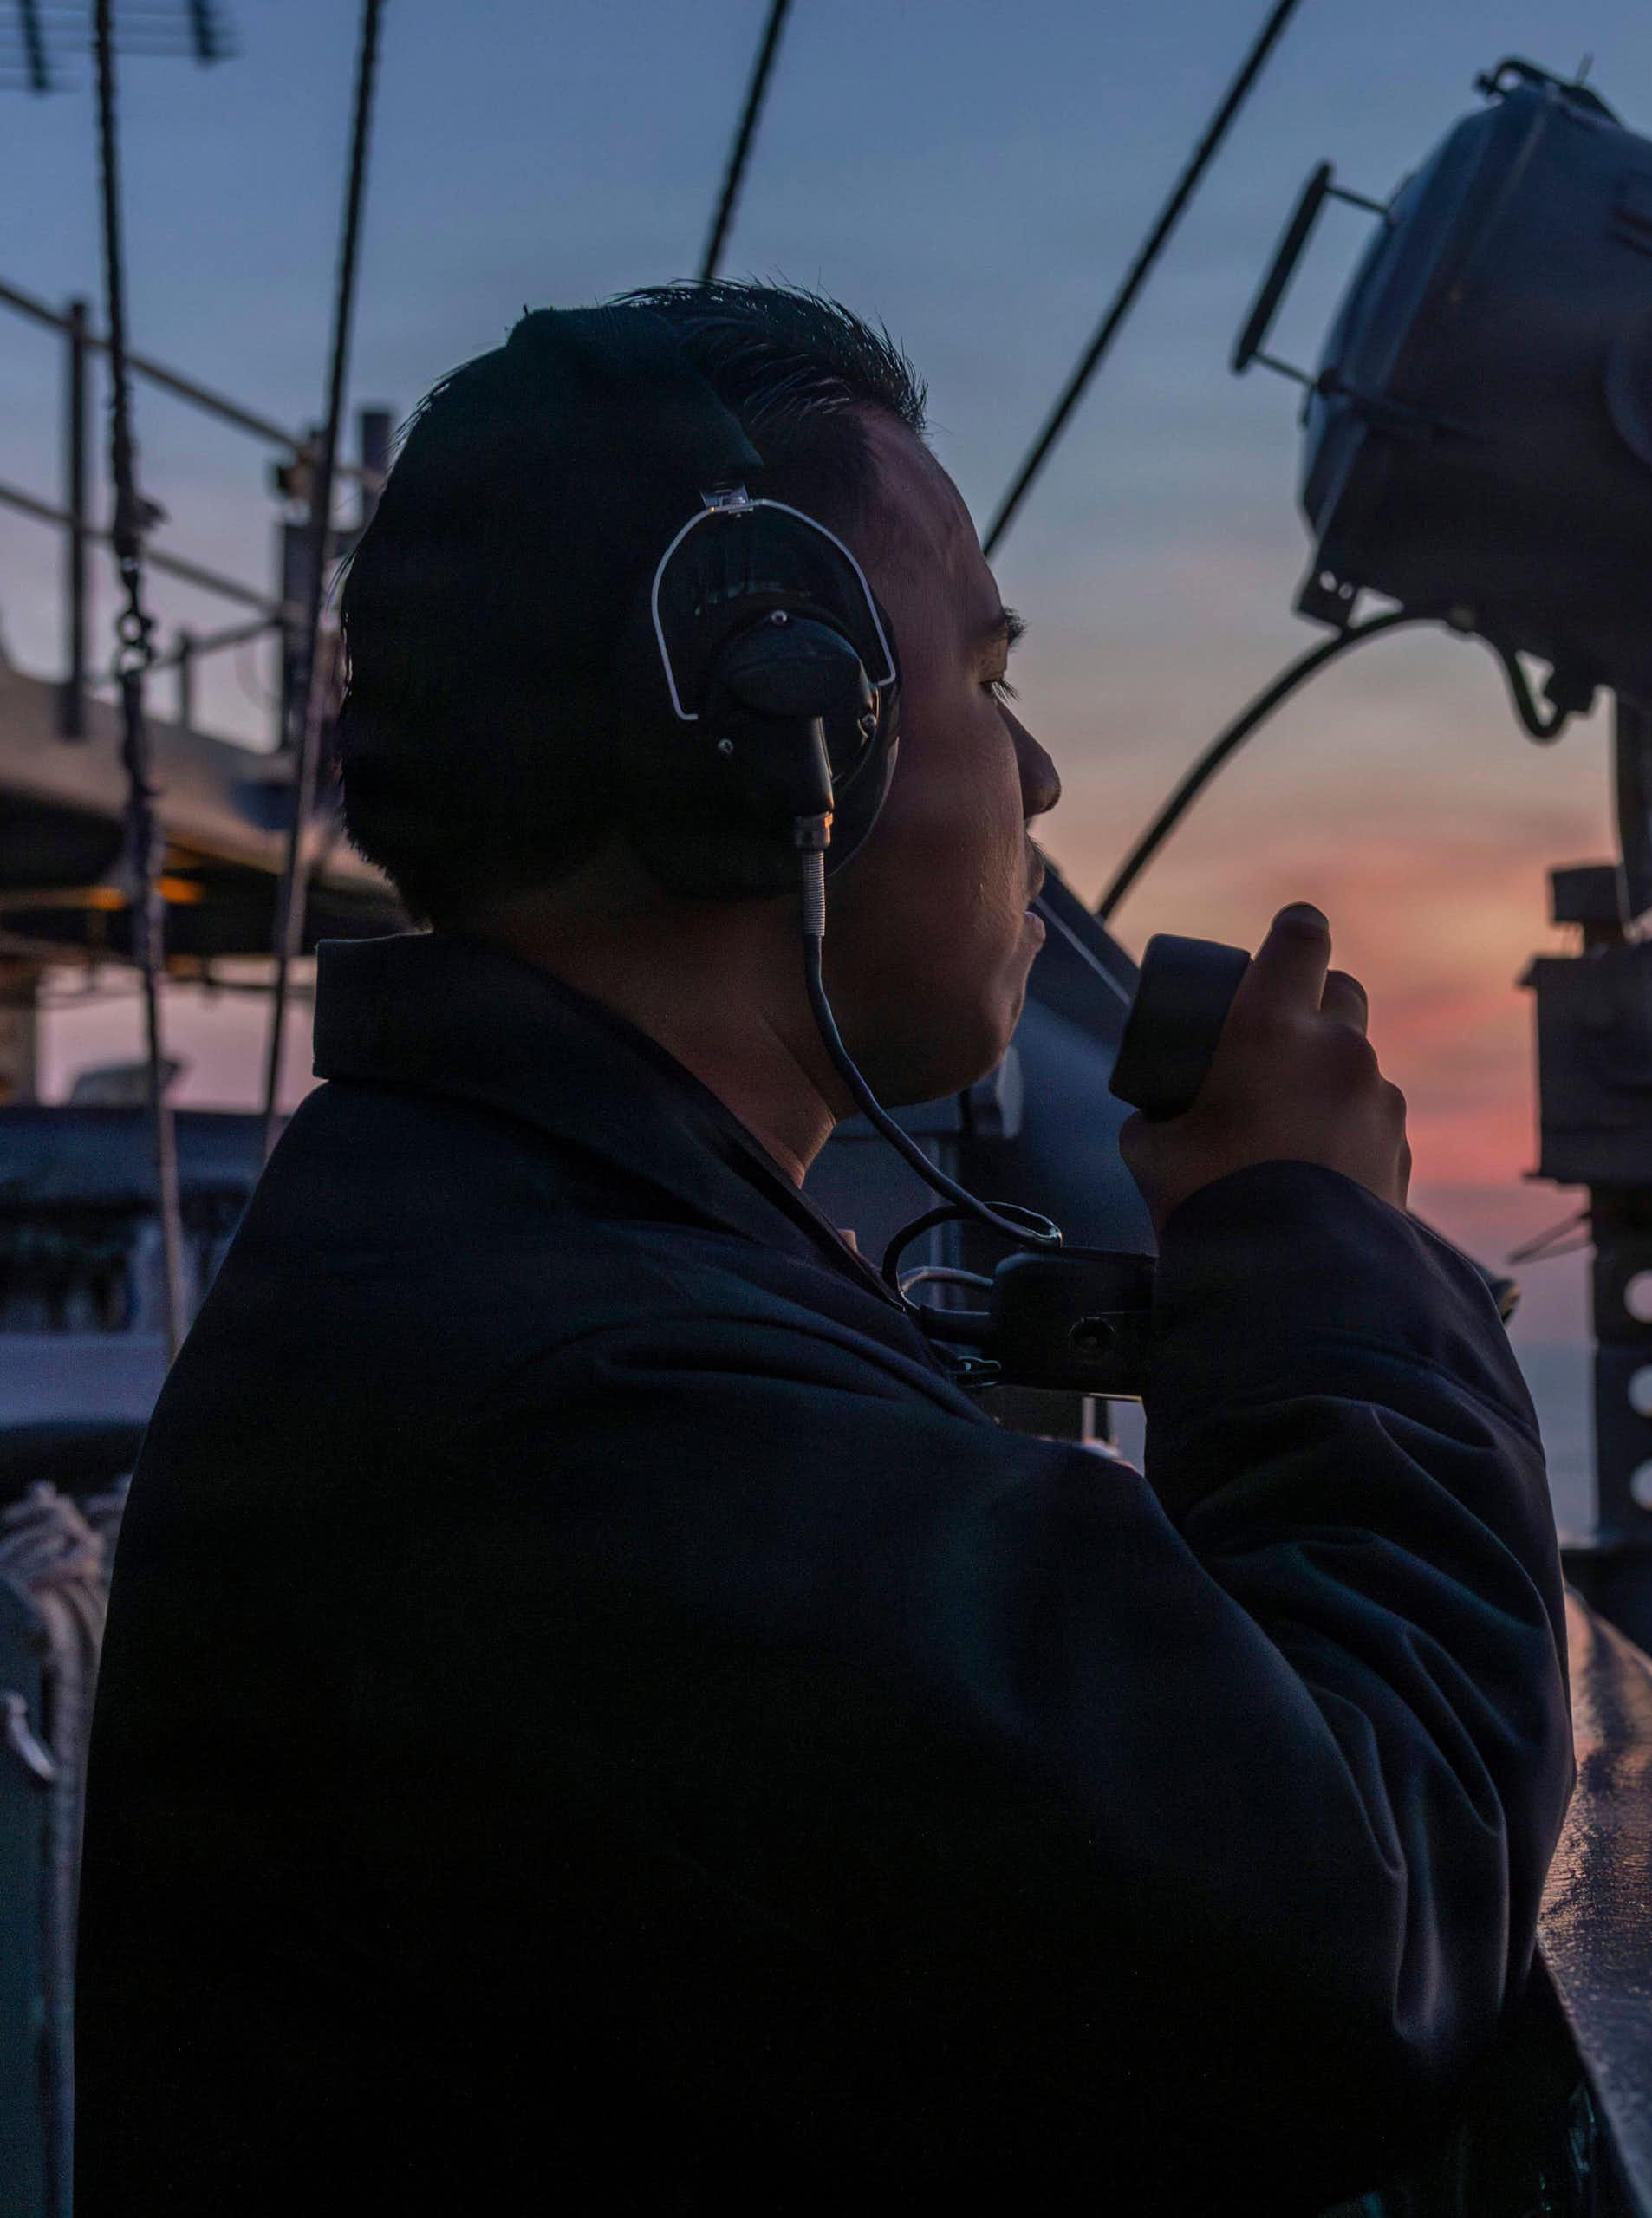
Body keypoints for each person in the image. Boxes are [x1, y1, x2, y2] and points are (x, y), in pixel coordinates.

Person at [75, 283, 1572, 2215]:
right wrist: (1311, 1244)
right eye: (987, 678)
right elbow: (1361, 1936)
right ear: (779, 734)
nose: (1035, 783)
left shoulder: (499, 1261)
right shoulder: (587, 1408)